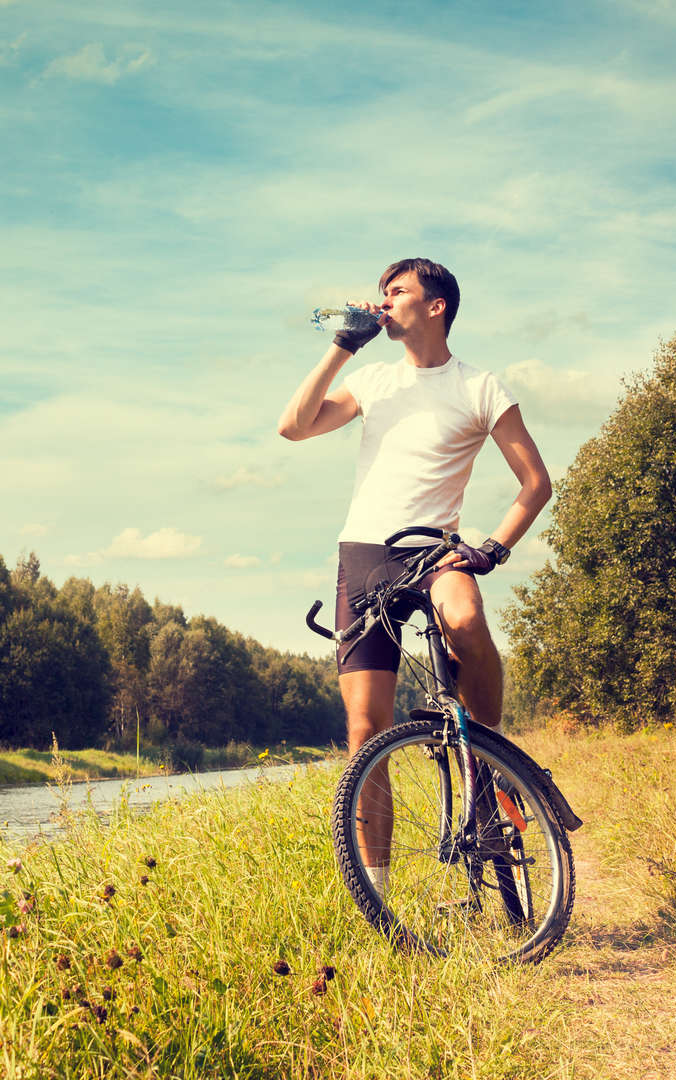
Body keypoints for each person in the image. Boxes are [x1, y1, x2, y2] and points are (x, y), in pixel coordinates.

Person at [277, 258, 552, 891]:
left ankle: (488, 749)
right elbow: (293, 427)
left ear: (436, 307)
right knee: (364, 730)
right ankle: (377, 893)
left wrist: (491, 549)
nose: (384, 302)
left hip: (436, 551)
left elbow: (535, 484)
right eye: (382, 293)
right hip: (364, 557)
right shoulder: (373, 379)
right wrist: (341, 349)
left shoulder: (481, 387)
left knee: (464, 616)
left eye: (396, 292)